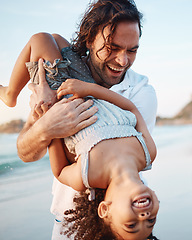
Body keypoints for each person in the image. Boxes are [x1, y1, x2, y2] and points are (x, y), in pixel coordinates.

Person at [13, 0, 158, 239]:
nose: (123, 61)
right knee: (45, 39)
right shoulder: (63, 74)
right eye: (112, 47)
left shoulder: (141, 91)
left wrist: (52, 118)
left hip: (111, 223)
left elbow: (77, 156)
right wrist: (45, 129)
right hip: (66, 226)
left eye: (132, 50)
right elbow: (25, 152)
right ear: (89, 39)